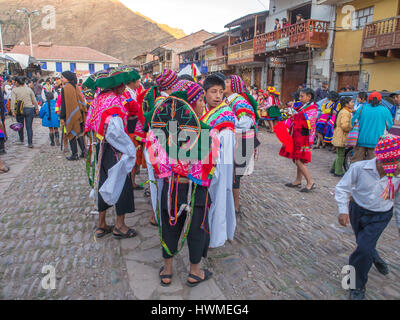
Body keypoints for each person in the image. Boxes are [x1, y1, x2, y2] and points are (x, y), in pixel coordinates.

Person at [145, 81, 217, 287]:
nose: (203, 104)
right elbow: (211, 166)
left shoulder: (160, 131)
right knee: (198, 227)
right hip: (197, 189)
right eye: (201, 99)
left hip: (172, 187)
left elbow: (154, 160)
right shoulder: (207, 133)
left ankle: (167, 271)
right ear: (192, 103)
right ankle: (195, 272)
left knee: (169, 225)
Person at [336, 134, 400, 300]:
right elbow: (342, 188)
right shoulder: (359, 168)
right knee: (364, 245)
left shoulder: (398, 175)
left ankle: (355, 286)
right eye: (394, 163)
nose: (397, 167)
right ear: (380, 160)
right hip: (357, 210)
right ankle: (374, 256)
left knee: (362, 249)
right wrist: (343, 210)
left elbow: (398, 202)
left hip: (381, 215)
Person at [83, 66, 138, 239]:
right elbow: (114, 132)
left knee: (103, 182)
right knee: (121, 183)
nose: (124, 87)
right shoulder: (114, 101)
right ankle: (119, 225)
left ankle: (101, 224)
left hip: (101, 148)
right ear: (118, 86)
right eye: (122, 84)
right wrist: (128, 149)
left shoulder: (99, 99)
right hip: (115, 149)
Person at [201, 74, 236, 248]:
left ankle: (216, 236)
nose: (217, 96)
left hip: (219, 167)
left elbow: (226, 150)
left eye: (221, 92)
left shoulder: (225, 117)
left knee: (219, 198)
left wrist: (217, 170)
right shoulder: (204, 111)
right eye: (213, 91)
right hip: (205, 165)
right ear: (205, 93)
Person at [224, 75, 260, 216]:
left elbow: (245, 123)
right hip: (235, 140)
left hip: (241, 141)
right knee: (232, 173)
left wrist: (227, 125)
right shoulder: (227, 100)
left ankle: (235, 205)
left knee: (235, 174)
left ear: (234, 85)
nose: (224, 84)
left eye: (226, 82)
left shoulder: (240, 101)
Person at [280, 88, 318, 192]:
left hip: (303, 136)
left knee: (298, 159)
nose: (300, 98)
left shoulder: (312, 108)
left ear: (309, 97)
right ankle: (298, 180)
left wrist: (295, 117)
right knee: (297, 158)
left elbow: (308, 124)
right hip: (297, 135)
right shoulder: (303, 107)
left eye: (302, 96)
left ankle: (310, 181)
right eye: (300, 96)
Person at [351, 92, 393, 163]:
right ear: (380, 101)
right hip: (376, 141)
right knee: (373, 164)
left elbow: (353, 121)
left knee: (356, 162)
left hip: (360, 140)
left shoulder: (362, 108)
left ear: (368, 100)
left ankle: (354, 174)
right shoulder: (385, 110)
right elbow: (389, 125)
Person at [60, 71, 87, 161]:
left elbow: (64, 104)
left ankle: (74, 154)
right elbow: (81, 100)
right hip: (79, 113)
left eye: (62, 77)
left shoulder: (66, 88)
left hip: (71, 114)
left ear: (67, 78)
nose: (61, 79)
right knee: (79, 133)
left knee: (71, 132)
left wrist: (62, 117)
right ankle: (83, 152)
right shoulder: (76, 87)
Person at [10, 76, 39, 148]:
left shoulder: (14, 90)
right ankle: (30, 143)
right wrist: (36, 108)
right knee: (29, 127)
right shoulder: (29, 89)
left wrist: (12, 110)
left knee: (20, 125)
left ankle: (21, 139)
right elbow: (34, 100)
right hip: (29, 109)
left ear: (17, 82)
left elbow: (13, 101)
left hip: (19, 110)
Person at [331, 97, 354, 177]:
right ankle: (338, 171)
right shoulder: (345, 113)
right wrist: (352, 127)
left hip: (339, 134)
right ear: (346, 104)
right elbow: (345, 126)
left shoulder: (344, 111)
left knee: (339, 153)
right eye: (352, 102)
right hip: (342, 135)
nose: (353, 103)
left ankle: (333, 168)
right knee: (341, 154)